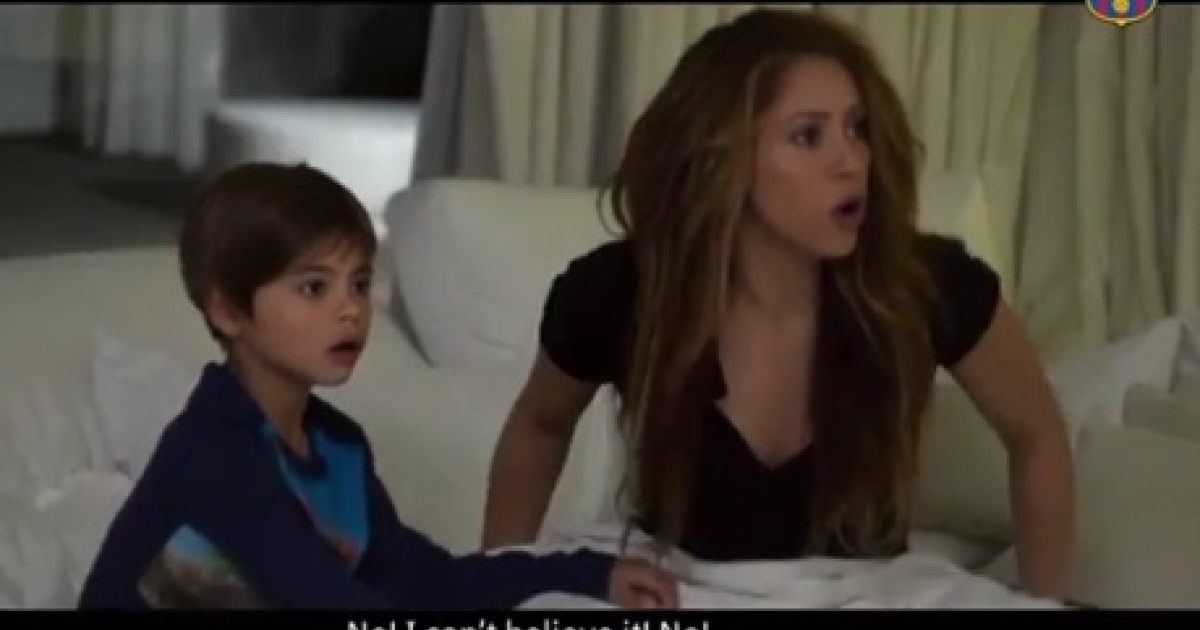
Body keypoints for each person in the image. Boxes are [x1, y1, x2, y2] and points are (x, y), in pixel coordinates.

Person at [482, 9, 1075, 600]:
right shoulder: (622, 289)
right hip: (679, 584)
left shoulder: (924, 283)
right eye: (807, 136)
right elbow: (540, 424)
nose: (850, 162)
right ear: (724, 157)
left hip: (866, 591)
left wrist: (1042, 602)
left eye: (857, 128)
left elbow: (1037, 432)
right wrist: (495, 585)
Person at [78, 163, 679, 610]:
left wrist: (588, 575)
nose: (350, 310)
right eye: (314, 288)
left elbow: (425, 580)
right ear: (227, 311)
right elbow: (321, 596)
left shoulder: (338, 447)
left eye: (360, 283)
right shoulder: (214, 451)